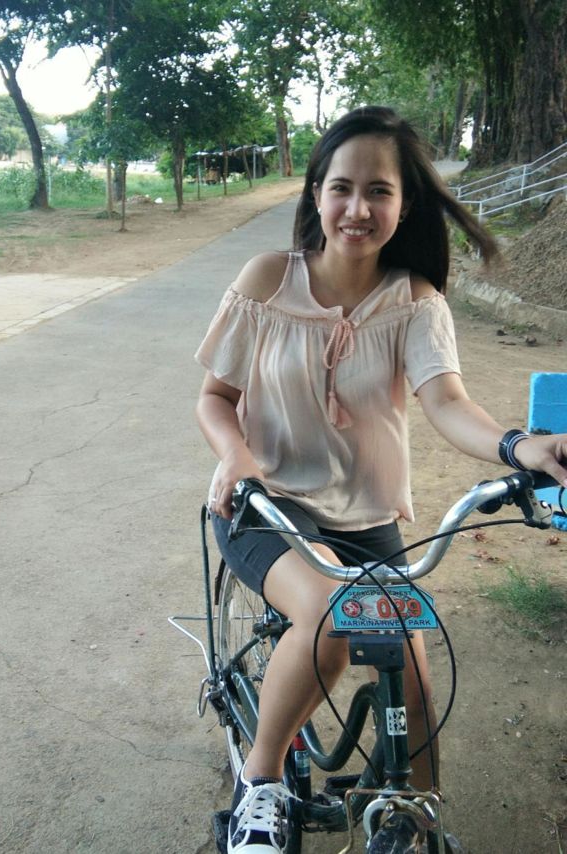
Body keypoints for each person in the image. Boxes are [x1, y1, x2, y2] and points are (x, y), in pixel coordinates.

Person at [195, 106, 567, 854]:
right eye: (342, 188)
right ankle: (260, 786)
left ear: (404, 204)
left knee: (417, 681)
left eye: (379, 191)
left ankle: (420, 816)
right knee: (332, 619)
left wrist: (520, 447)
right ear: (316, 195)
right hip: (267, 505)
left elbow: (447, 403)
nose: (357, 208)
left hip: (366, 521)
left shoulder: (415, 302)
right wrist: (236, 455)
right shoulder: (268, 280)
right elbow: (214, 397)